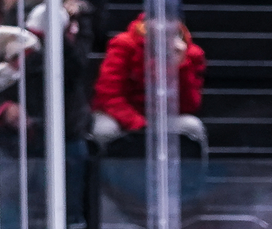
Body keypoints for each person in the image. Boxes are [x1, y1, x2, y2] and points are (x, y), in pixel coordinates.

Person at [89, 12, 207, 150]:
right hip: (118, 115)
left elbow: (190, 105)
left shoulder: (191, 54)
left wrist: (180, 66)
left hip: (161, 118)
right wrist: (139, 124)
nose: (162, 26)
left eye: (169, 20)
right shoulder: (124, 44)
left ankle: (194, 171)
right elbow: (108, 95)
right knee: (104, 131)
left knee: (192, 127)